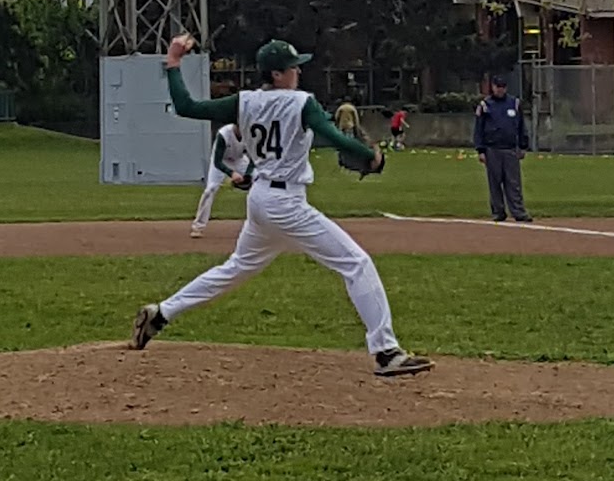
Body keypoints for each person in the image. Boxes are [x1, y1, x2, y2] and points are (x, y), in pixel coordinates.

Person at [132, 35, 432, 378]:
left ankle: (161, 313)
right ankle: (386, 352)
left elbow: (188, 107)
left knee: (236, 268)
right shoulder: (302, 103)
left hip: (261, 199)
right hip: (285, 203)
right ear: (275, 74)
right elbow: (333, 138)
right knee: (356, 263)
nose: (297, 73)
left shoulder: (244, 102)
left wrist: (173, 63)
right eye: (291, 68)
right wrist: (370, 158)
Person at [474, 74, 533, 223]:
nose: (500, 90)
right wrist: (480, 150)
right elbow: (479, 129)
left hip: (510, 149)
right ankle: (498, 212)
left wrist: (523, 146)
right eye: (497, 87)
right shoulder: (485, 105)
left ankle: (518, 211)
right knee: (495, 183)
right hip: (492, 149)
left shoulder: (514, 103)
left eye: (502, 87)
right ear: (493, 87)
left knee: (513, 183)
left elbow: (521, 127)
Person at [191, 122, 250, 238]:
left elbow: (253, 159)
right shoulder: (224, 134)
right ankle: (198, 226)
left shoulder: (250, 133)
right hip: (221, 161)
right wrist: (231, 173)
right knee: (210, 189)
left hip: (239, 160)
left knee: (259, 180)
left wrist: (248, 175)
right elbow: (217, 162)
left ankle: (261, 226)